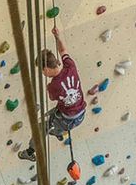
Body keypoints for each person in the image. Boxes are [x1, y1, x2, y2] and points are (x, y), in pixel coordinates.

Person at [22, 28, 87, 177]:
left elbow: (53, 97)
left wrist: (48, 88)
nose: (43, 74)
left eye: (42, 71)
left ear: (46, 69)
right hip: (81, 114)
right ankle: (58, 131)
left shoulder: (53, 86)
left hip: (66, 120)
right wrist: (57, 37)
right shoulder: (70, 65)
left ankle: (31, 152)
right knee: (55, 115)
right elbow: (63, 49)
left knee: (40, 125)